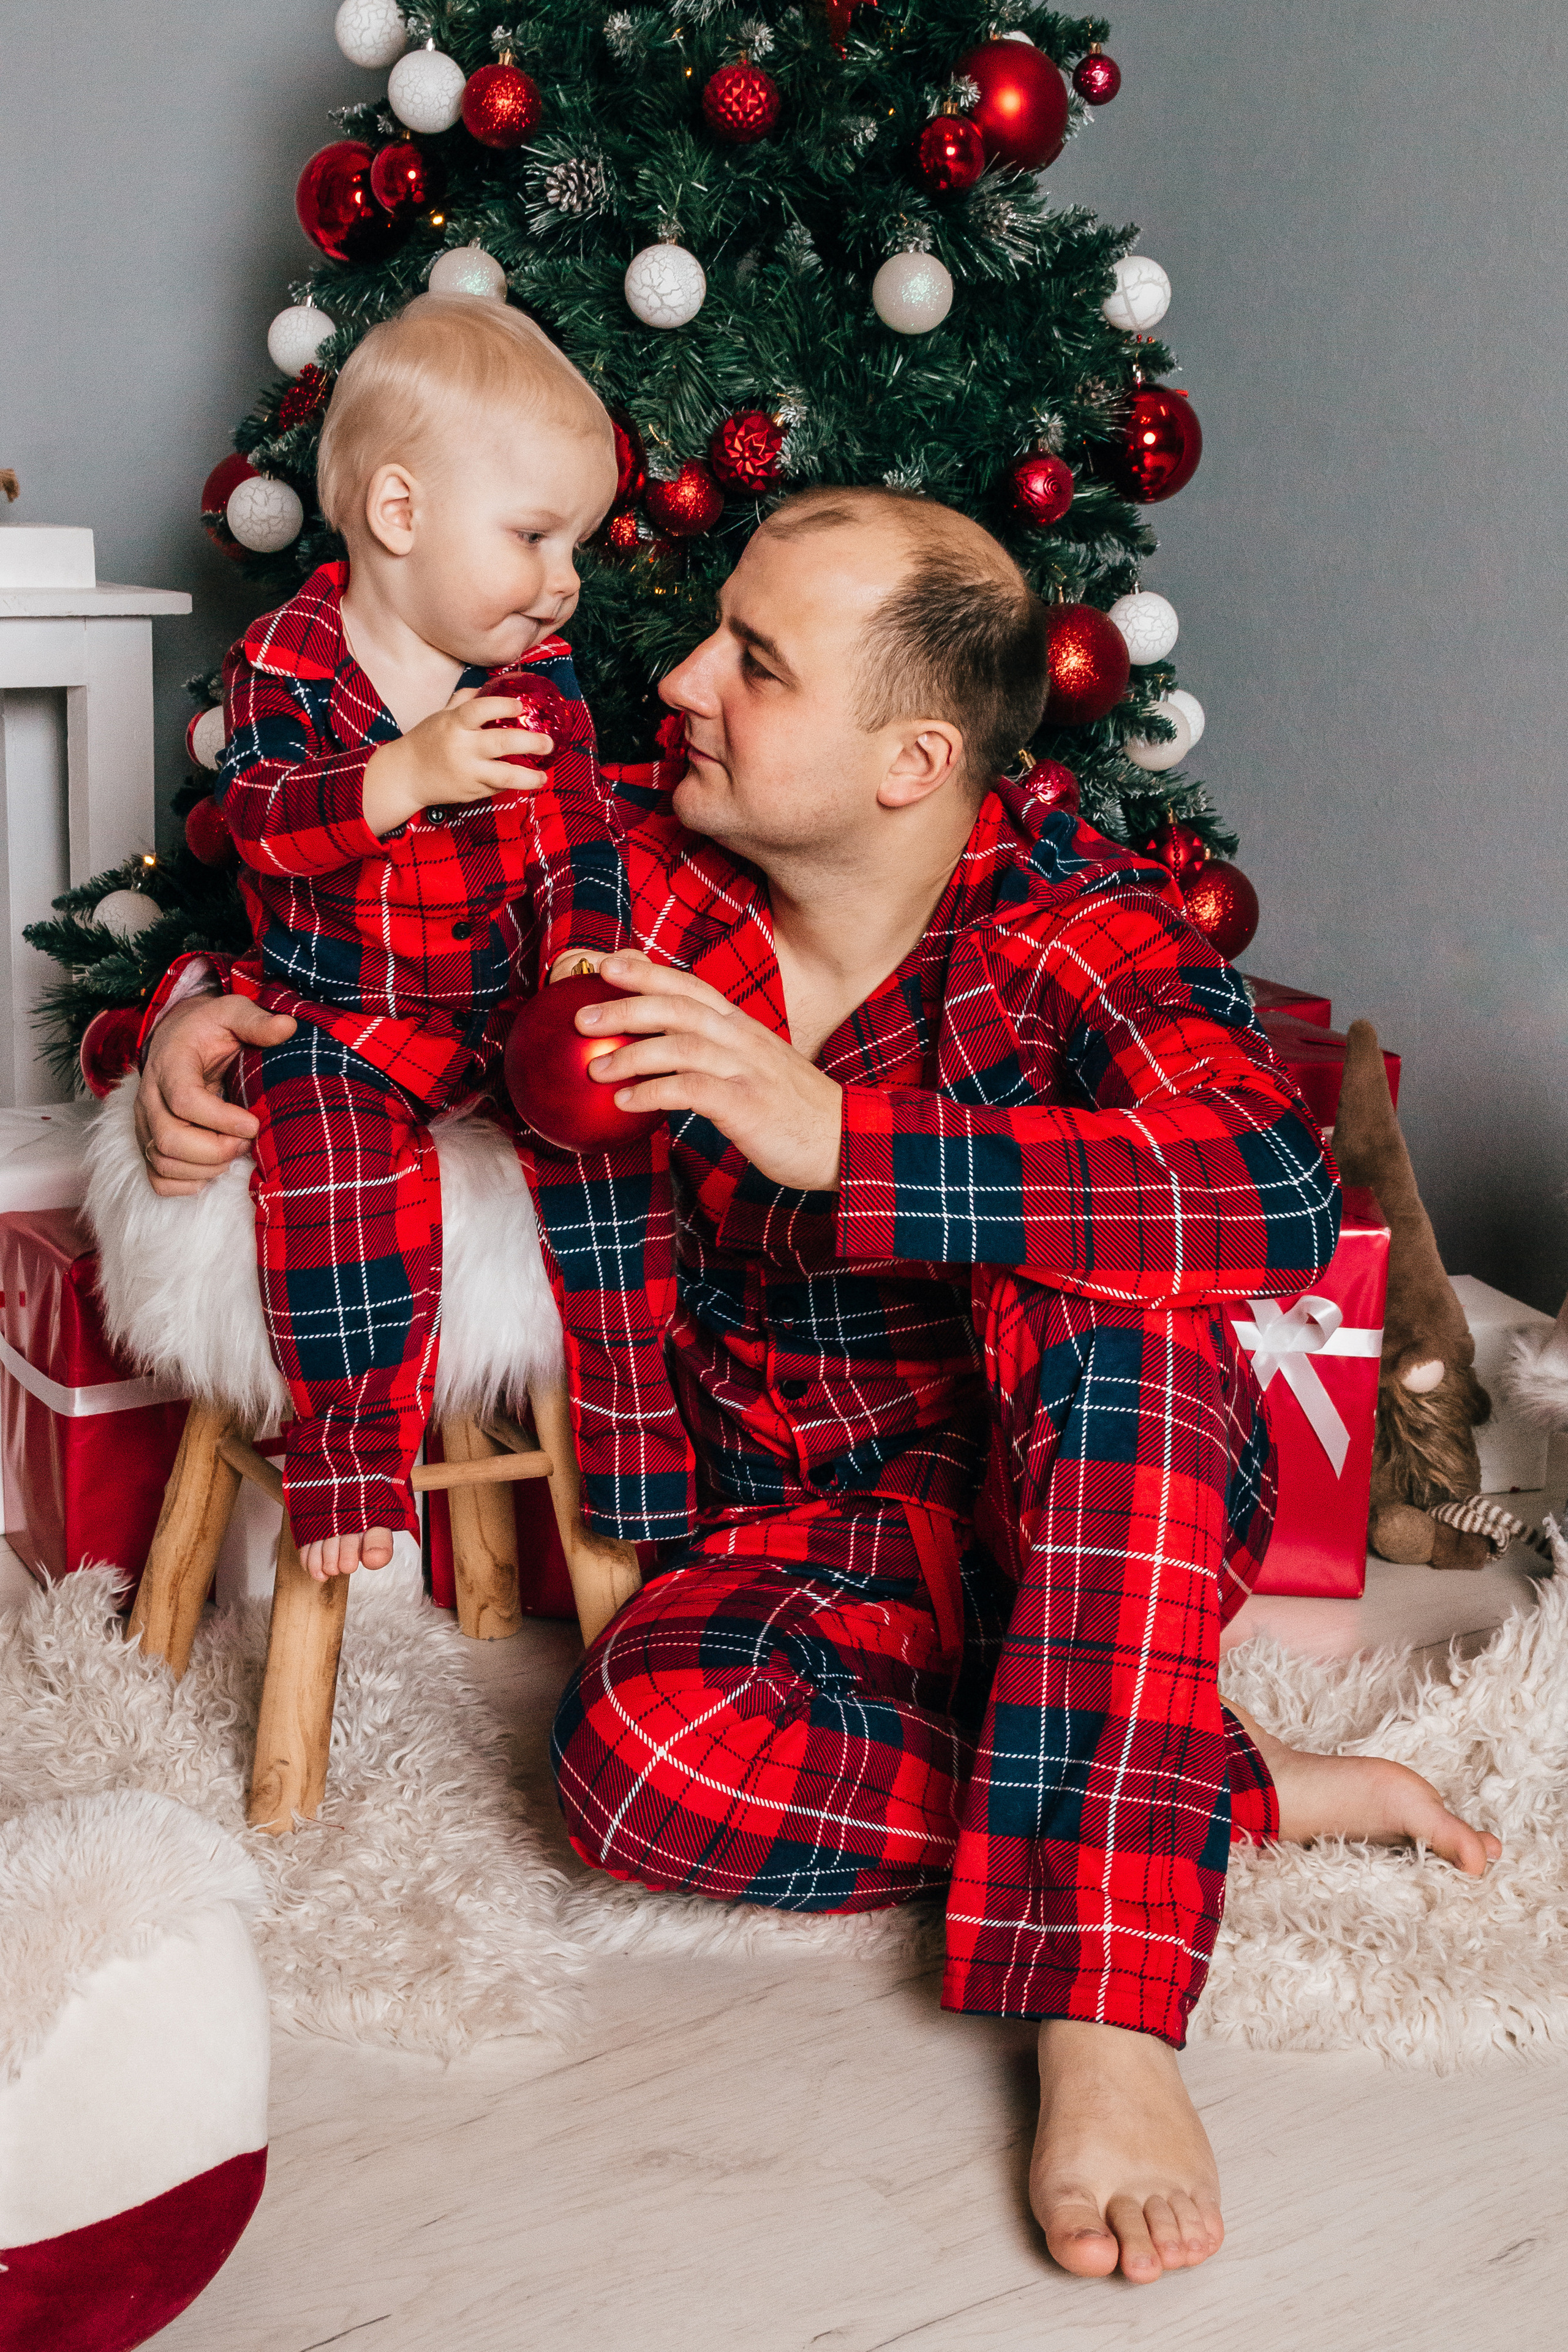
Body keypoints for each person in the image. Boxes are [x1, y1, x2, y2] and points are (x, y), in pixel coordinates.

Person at [137, 486, 1499, 2284]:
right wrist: (175, 1017)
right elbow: (357, 924)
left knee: (1130, 1309)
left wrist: (842, 1137)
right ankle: (1195, 1783)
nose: (684, 675)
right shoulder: (621, 858)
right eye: (716, 629)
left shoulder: (1071, 918)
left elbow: (1272, 1185)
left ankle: (1106, 2002)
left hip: (1091, 1485)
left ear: (907, 758)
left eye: (755, 664)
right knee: (640, 1764)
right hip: (814, 1523)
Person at [205, 293, 619, 1583]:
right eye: (537, 537)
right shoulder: (288, 660)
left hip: (492, 1018)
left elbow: (580, 846)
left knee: (617, 1153)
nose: (565, 582)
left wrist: (581, 959)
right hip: (339, 1015)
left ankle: (643, 1456)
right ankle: (350, 1462)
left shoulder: (538, 687)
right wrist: (404, 771)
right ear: (400, 513)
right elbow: (262, 823)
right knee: (328, 1166)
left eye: (578, 546)